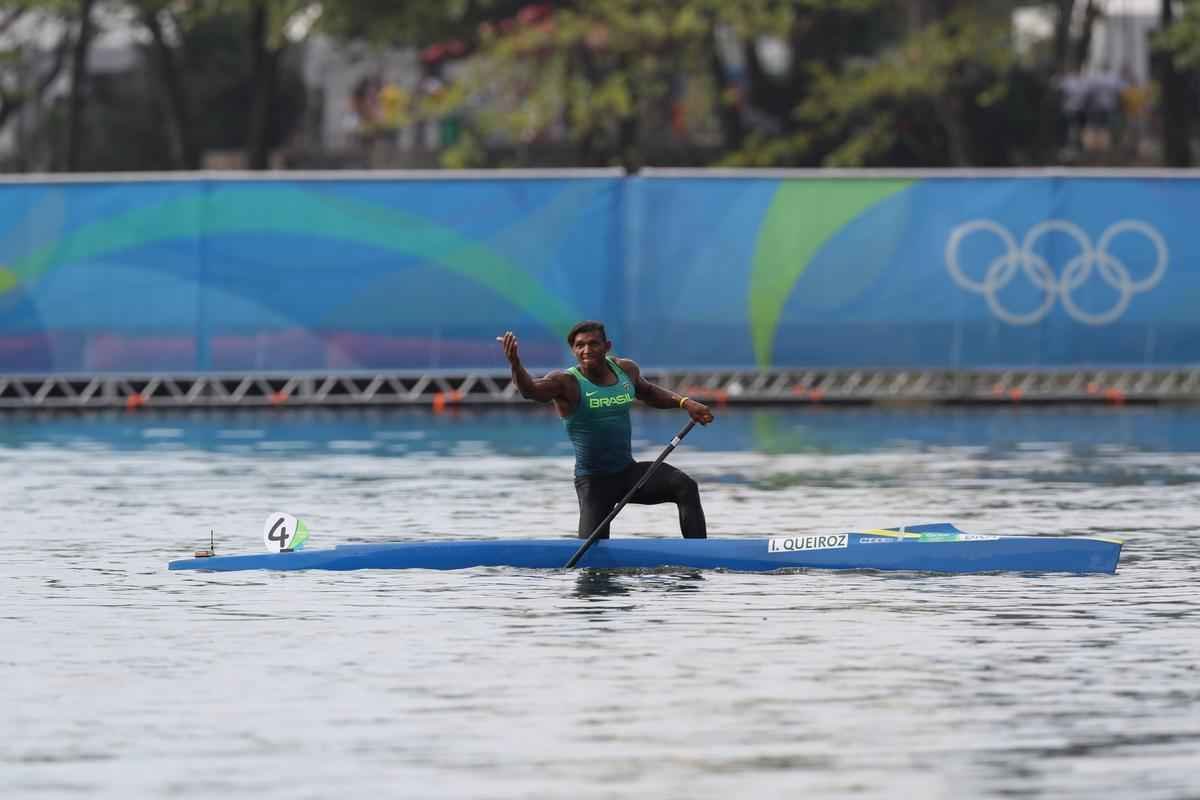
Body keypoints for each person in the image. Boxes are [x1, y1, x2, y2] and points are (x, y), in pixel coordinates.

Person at [499, 321, 714, 540]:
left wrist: (685, 403)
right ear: (573, 350)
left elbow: (648, 392)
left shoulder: (626, 370)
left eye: (593, 343)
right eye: (580, 345)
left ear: (607, 346)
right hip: (594, 483)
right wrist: (515, 364)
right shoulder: (566, 382)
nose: (586, 350)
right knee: (593, 566)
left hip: (628, 473)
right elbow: (530, 391)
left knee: (685, 487)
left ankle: (699, 554)